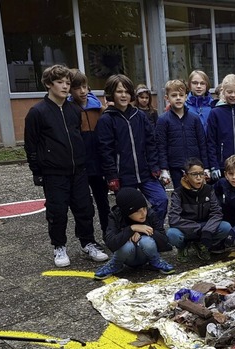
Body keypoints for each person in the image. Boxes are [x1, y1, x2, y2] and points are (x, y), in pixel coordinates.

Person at [24, 64, 108, 267]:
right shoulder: (37, 112)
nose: (65, 86)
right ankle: (59, 246)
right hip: (53, 173)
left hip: (78, 170)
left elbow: (77, 137)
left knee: (85, 209)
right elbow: (31, 145)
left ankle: (88, 243)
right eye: (60, 82)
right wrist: (37, 171)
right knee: (57, 211)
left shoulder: (73, 110)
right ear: (48, 84)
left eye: (67, 83)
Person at [96, 74, 169, 223]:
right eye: (119, 91)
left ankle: (153, 229)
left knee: (161, 200)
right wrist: (111, 176)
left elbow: (151, 142)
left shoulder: (140, 116)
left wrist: (155, 166)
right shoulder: (106, 119)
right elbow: (105, 150)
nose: (124, 95)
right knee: (130, 210)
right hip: (123, 177)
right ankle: (133, 235)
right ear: (111, 94)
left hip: (146, 173)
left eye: (127, 91)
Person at [94, 187, 173, 279]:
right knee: (127, 245)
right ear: (127, 212)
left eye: (144, 208)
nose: (143, 213)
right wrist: (131, 229)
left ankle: (155, 261)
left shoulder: (150, 214)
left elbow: (164, 241)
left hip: (146, 255)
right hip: (126, 257)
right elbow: (111, 243)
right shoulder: (115, 216)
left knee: (146, 241)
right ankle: (116, 264)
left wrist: (144, 231)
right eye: (137, 211)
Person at [68, 68, 110, 239]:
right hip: (80, 166)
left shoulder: (98, 108)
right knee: (83, 204)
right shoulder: (69, 109)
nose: (83, 91)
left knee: (103, 202)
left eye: (85, 86)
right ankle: (87, 238)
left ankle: (109, 234)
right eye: (77, 87)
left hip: (99, 165)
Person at [166, 158, 229, 263]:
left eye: (201, 174)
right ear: (186, 176)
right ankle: (183, 246)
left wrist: (208, 230)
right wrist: (198, 228)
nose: (199, 178)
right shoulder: (178, 193)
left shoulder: (209, 190)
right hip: (187, 227)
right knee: (172, 234)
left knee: (225, 227)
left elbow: (217, 212)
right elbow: (174, 219)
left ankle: (201, 244)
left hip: (205, 225)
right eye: (194, 174)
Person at [156, 79, 207, 187]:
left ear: (186, 96)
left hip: (195, 166)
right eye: (174, 95)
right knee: (180, 195)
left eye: (181, 95)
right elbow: (161, 146)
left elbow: (202, 143)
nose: (178, 98)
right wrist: (164, 169)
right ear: (167, 98)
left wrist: (206, 166)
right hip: (176, 166)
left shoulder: (194, 119)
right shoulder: (163, 120)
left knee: (197, 195)